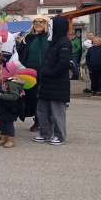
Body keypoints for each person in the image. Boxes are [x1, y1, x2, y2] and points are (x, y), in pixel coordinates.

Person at [33, 16, 71, 146]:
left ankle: (60, 136)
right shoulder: (53, 42)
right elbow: (47, 61)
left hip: (57, 84)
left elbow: (63, 64)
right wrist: (41, 71)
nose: (48, 28)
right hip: (46, 84)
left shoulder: (64, 42)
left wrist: (49, 73)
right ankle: (45, 134)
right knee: (42, 110)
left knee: (58, 112)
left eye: (50, 26)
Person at [16, 15, 49, 132]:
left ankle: (46, 120)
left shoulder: (50, 38)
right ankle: (37, 120)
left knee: (45, 97)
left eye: (41, 22)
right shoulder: (27, 38)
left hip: (47, 72)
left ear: (46, 24)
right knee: (33, 97)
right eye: (36, 22)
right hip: (31, 73)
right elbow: (20, 54)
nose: (38, 24)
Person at [0, 71, 26, 148]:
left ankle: (11, 139)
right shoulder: (5, 82)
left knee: (9, 123)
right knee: (2, 122)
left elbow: (14, 96)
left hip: (11, 107)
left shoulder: (13, 84)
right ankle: (3, 137)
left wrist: (1, 95)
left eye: (1, 73)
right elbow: (2, 90)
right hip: (3, 105)